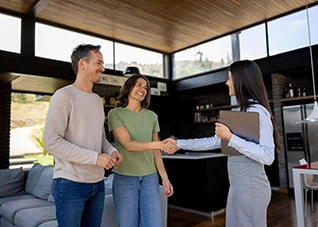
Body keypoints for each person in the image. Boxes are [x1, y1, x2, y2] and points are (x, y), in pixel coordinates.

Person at [165, 60, 282, 227]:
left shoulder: (258, 112)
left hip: (252, 190)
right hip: (237, 188)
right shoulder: (242, 111)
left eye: (229, 78)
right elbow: (214, 141)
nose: (226, 83)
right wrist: (179, 143)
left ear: (241, 80)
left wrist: (230, 137)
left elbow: (268, 156)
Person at [44, 44, 123, 227]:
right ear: (82, 64)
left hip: (98, 183)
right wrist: (96, 158)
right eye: (99, 63)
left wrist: (111, 152)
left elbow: (100, 138)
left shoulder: (97, 100)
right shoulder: (63, 96)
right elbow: (52, 142)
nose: (103, 68)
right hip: (70, 184)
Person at [107, 74, 178, 227]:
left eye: (145, 88)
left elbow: (156, 152)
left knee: (154, 224)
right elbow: (128, 144)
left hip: (150, 179)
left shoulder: (152, 116)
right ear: (128, 87)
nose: (142, 89)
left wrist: (164, 178)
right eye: (138, 85)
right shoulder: (115, 114)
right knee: (128, 224)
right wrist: (158, 144)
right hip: (125, 178)